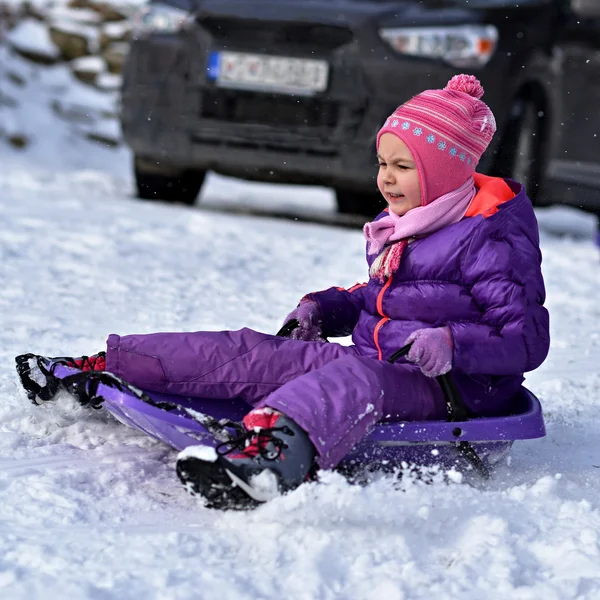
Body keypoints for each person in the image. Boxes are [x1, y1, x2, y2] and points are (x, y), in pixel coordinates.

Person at [15, 75, 550, 509]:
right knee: (257, 352)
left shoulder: (491, 238)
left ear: (446, 170)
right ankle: (106, 366)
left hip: (451, 390)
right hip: (377, 363)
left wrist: (453, 344)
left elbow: (524, 338)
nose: (386, 179)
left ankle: (272, 459)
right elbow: (381, 296)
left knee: (353, 377)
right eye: (383, 163)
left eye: (403, 167)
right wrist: (328, 306)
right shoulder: (410, 222)